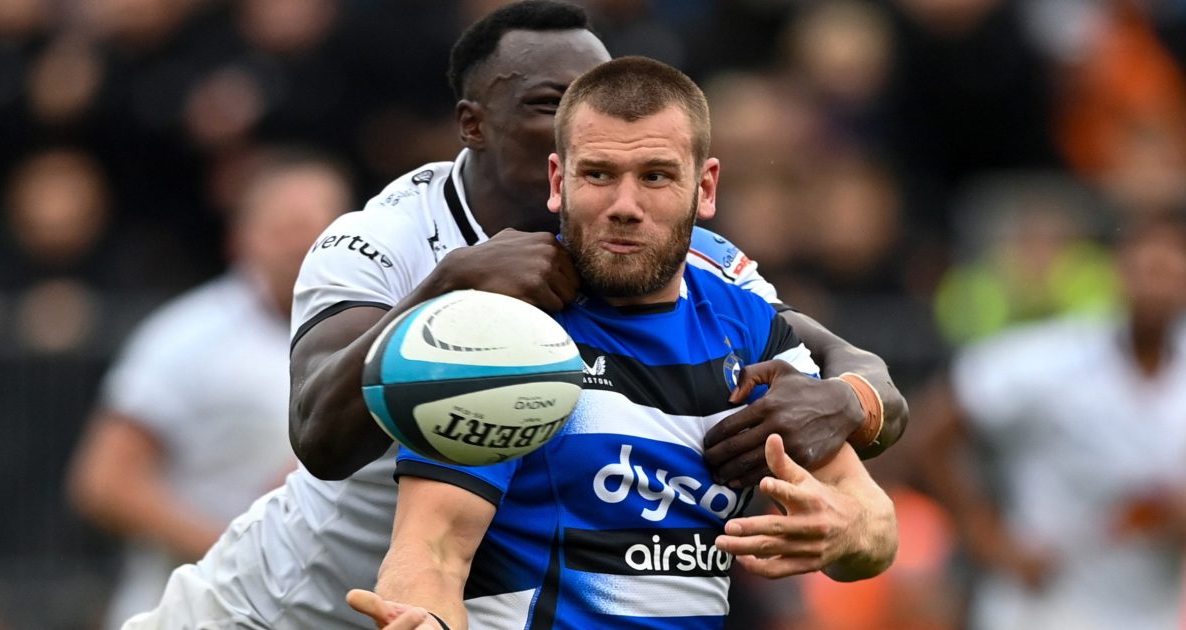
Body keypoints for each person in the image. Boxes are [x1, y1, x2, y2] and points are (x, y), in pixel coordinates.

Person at [124, 3, 905, 628]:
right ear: (475, 125)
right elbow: (320, 437)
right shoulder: (386, 239)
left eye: (597, 99)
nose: (587, 117)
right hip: (290, 604)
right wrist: (446, 289)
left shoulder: (689, 262)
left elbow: (838, 359)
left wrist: (849, 403)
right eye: (551, 108)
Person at [348, 55, 897, 630]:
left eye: (656, 176)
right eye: (599, 174)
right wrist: (425, 620)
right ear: (559, 183)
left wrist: (842, 530)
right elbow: (430, 550)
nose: (625, 207)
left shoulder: (751, 327)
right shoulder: (502, 333)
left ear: (704, 187)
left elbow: (875, 524)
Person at [66, 149, 351, 629]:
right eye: (287, 227)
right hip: (190, 611)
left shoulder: (380, 336)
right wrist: (240, 553)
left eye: (323, 227)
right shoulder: (185, 338)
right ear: (241, 238)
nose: (306, 244)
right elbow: (104, 483)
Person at [917, 210, 1186, 630]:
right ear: (1118, 270)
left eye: (1169, 269)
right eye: (1146, 266)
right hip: (1042, 608)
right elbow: (934, 430)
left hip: (1149, 614)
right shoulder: (1052, 359)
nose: (1155, 283)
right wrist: (986, 536)